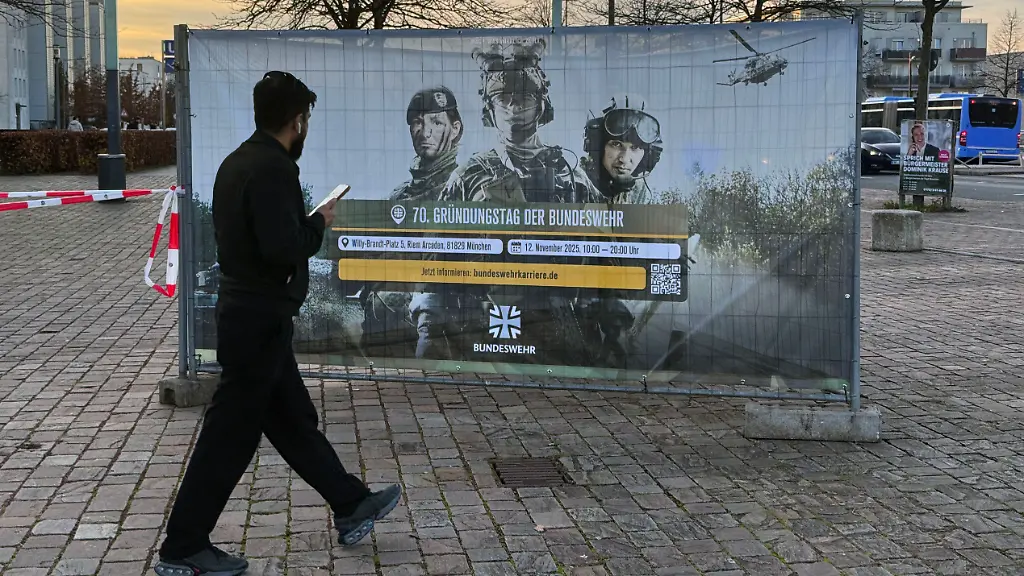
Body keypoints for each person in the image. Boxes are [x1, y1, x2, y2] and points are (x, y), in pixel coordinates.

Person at [153, 70, 401, 576]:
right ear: (297, 120)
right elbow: (282, 247)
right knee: (229, 437)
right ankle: (183, 546)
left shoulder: (236, 162)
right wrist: (318, 222)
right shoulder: (275, 168)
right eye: (305, 118)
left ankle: (351, 503)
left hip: (251, 316)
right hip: (258, 320)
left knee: (292, 420)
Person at [578, 94, 665, 367]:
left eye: (635, 148)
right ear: (598, 145)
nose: (625, 158)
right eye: (616, 144)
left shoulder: (641, 199)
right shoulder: (573, 188)